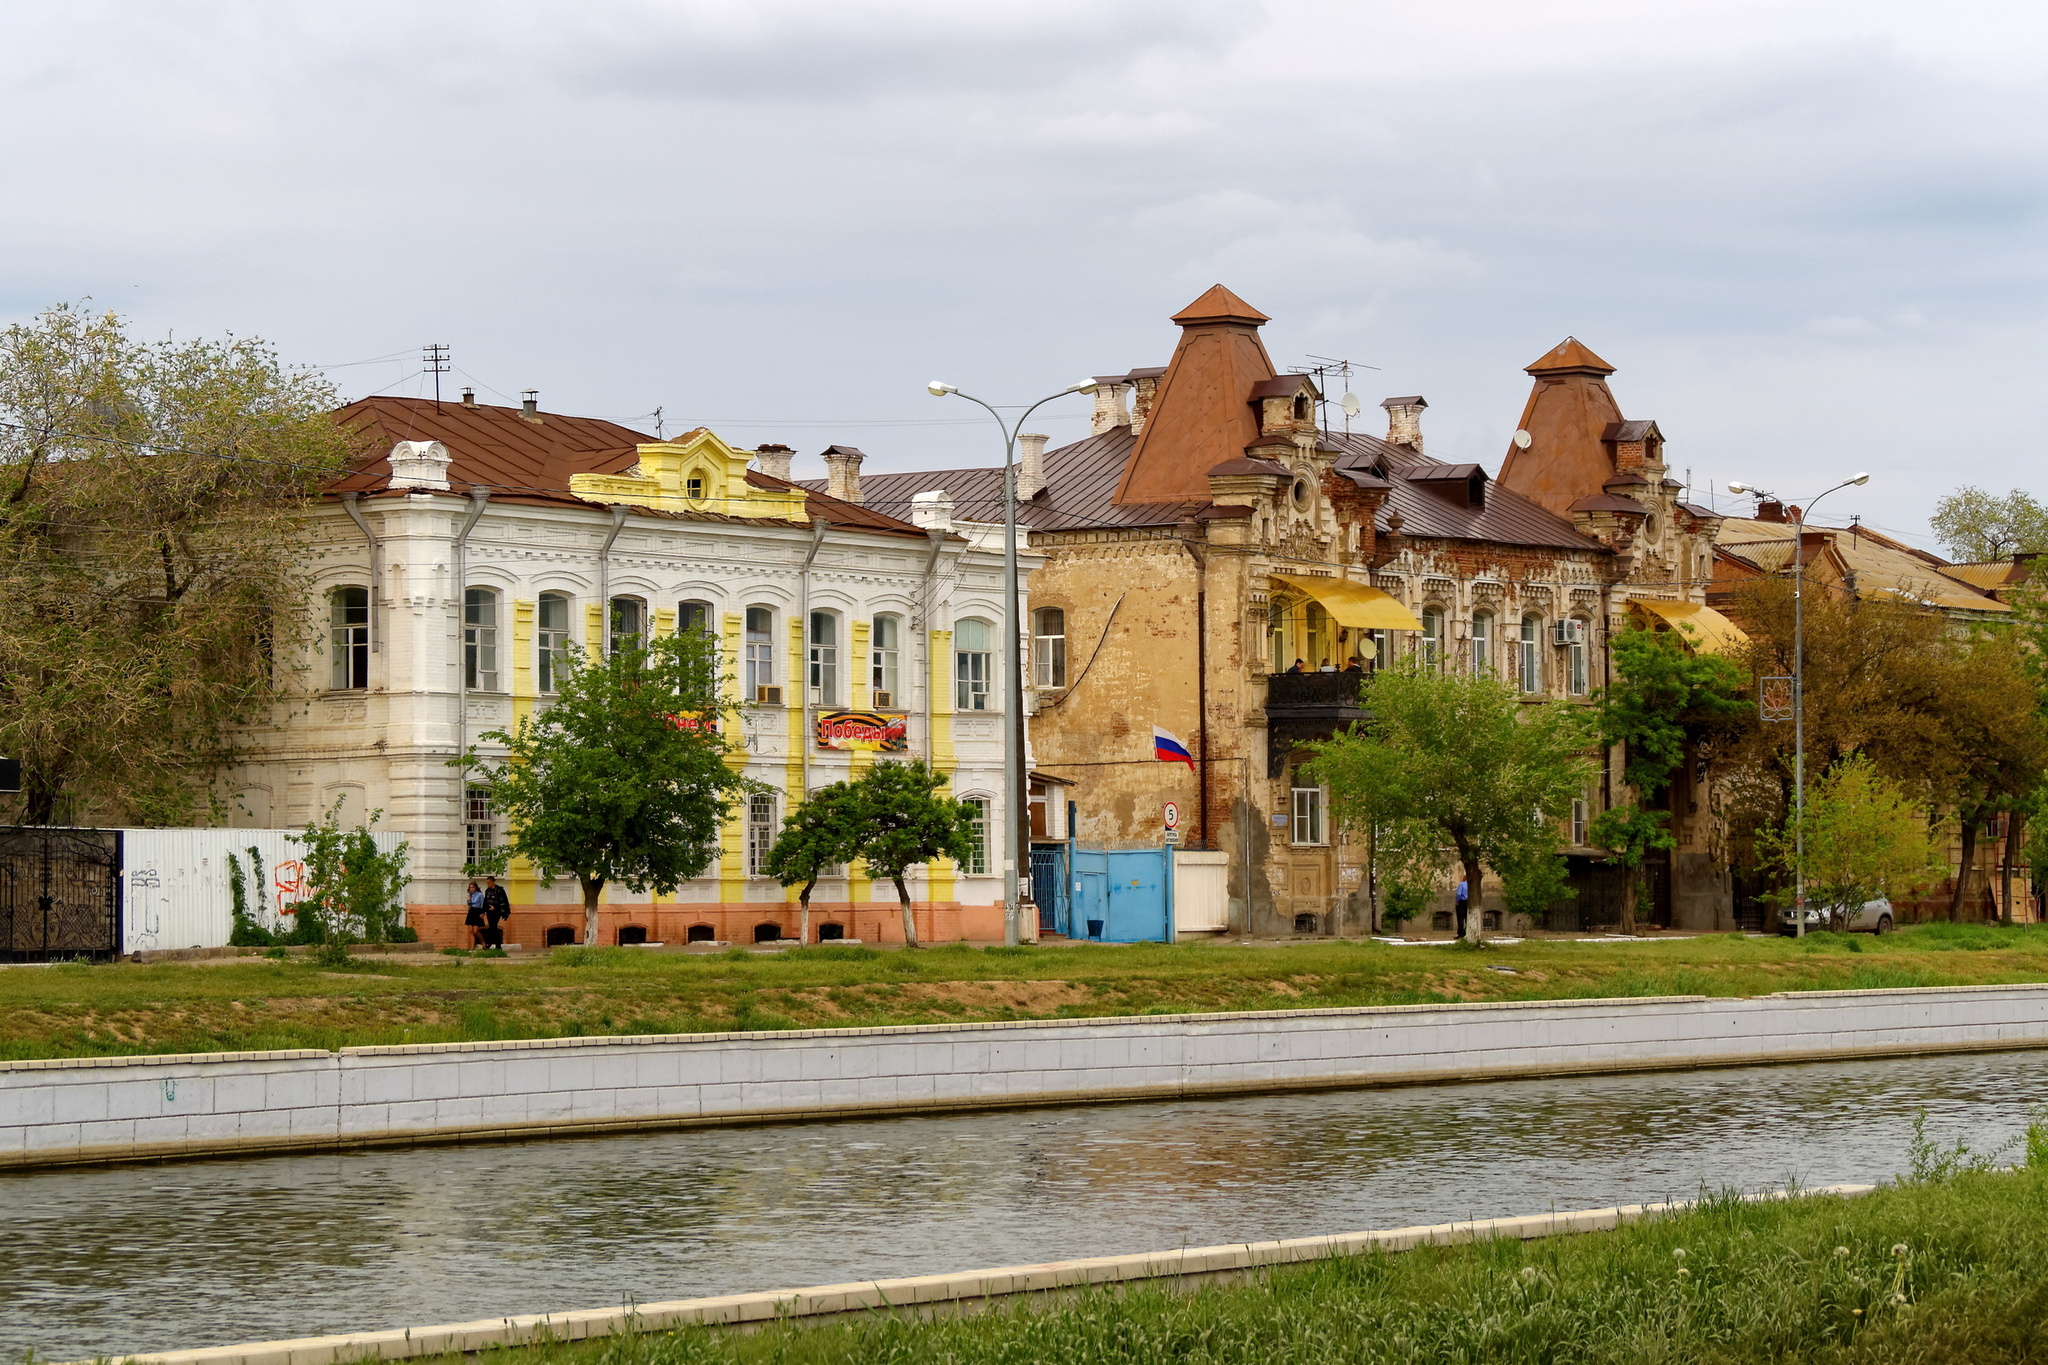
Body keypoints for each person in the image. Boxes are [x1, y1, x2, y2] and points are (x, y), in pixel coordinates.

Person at [481, 876, 511, 950]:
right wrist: (483, 911)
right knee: (491, 927)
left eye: (489, 882)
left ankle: (496, 944)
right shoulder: (487, 890)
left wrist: (496, 907)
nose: (488, 884)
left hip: (497, 911)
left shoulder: (499, 890)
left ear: (493, 882)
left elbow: (504, 901)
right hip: (489, 911)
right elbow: (485, 901)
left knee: (494, 927)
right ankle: (493, 944)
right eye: (487, 883)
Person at [463, 880, 485, 949]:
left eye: (473, 887)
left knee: (475, 931)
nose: (471, 889)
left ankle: (483, 942)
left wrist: (483, 912)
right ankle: (472, 947)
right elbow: (469, 904)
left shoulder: (480, 894)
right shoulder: (470, 894)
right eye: (470, 888)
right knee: (470, 931)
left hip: (477, 911)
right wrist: (468, 900)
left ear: (476, 887)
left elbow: (483, 904)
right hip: (471, 911)